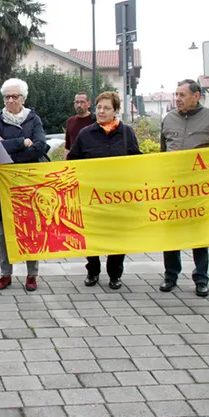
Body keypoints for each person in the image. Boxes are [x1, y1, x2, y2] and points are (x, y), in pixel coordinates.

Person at [159, 79, 209, 297]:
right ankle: (170, 276)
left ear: (196, 96)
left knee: (199, 236)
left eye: (182, 95)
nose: (177, 99)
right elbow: (163, 153)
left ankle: (201, 279)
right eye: (176, 94)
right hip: (173, 190)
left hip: (200, 190)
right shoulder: (168, 119)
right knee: (171, 235)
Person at [67, 91, 141, 290]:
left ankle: (115, 274)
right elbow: (72, 161)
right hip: (91, 197)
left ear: (116, 111)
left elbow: (138, 162)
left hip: (118, 197)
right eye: (99, 107)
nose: (101, 111)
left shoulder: (127, 133)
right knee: (92, 236)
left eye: (106, 108)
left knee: (117, 238)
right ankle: (92, 270)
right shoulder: (86, 134)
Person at [0, 78, 48, 292]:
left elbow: (41, 146)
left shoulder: (34, 119)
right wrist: (23, 142)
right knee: (3, 232)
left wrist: (10, 150)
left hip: (29, 183)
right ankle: (6, 273)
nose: (11, 100)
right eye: (7, 97)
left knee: (31, 229)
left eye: (15, 96)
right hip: (4, 184)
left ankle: (32, 274)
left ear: (23, 98)